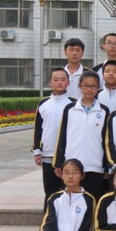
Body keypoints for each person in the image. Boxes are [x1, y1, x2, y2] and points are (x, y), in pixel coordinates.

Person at [53, 71, 110, 203]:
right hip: (72, 164)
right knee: (70, 200)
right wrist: (58, 162)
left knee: (92, 201)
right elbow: (62, 136)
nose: (89, 89)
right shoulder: (70, 109)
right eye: (86, 86)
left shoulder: (104, 110)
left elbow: (106, 140)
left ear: (98, 87)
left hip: (95, 165)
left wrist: (106, 165)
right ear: (80, 86)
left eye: (93, 86)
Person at [32, 68, 74, 210]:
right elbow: (38, 128)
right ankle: (48, 220)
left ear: (68, 82)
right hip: (48, 154)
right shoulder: (43, 103)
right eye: (55, 80)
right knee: (50, 191)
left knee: (67, 190)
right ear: (50, 82)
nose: (59, 82)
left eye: (63, 79)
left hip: (67, 155)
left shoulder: (73, 103)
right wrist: (37, 151)